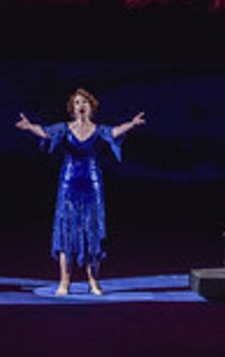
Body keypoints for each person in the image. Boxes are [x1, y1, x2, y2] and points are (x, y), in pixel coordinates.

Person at [16, 88, 146, 295]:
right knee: (66, 232)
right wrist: (29, 127)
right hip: (69, 185)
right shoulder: (64, 129)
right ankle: (64, 282)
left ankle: (93, 282)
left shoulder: (98, 129)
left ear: (91, 107)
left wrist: (131, 124)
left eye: (85, 102)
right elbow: (45, 132)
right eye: (77, 102)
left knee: (92, 233)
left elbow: (114, 132)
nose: (81, 105)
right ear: (72, 108)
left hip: (92, 185)